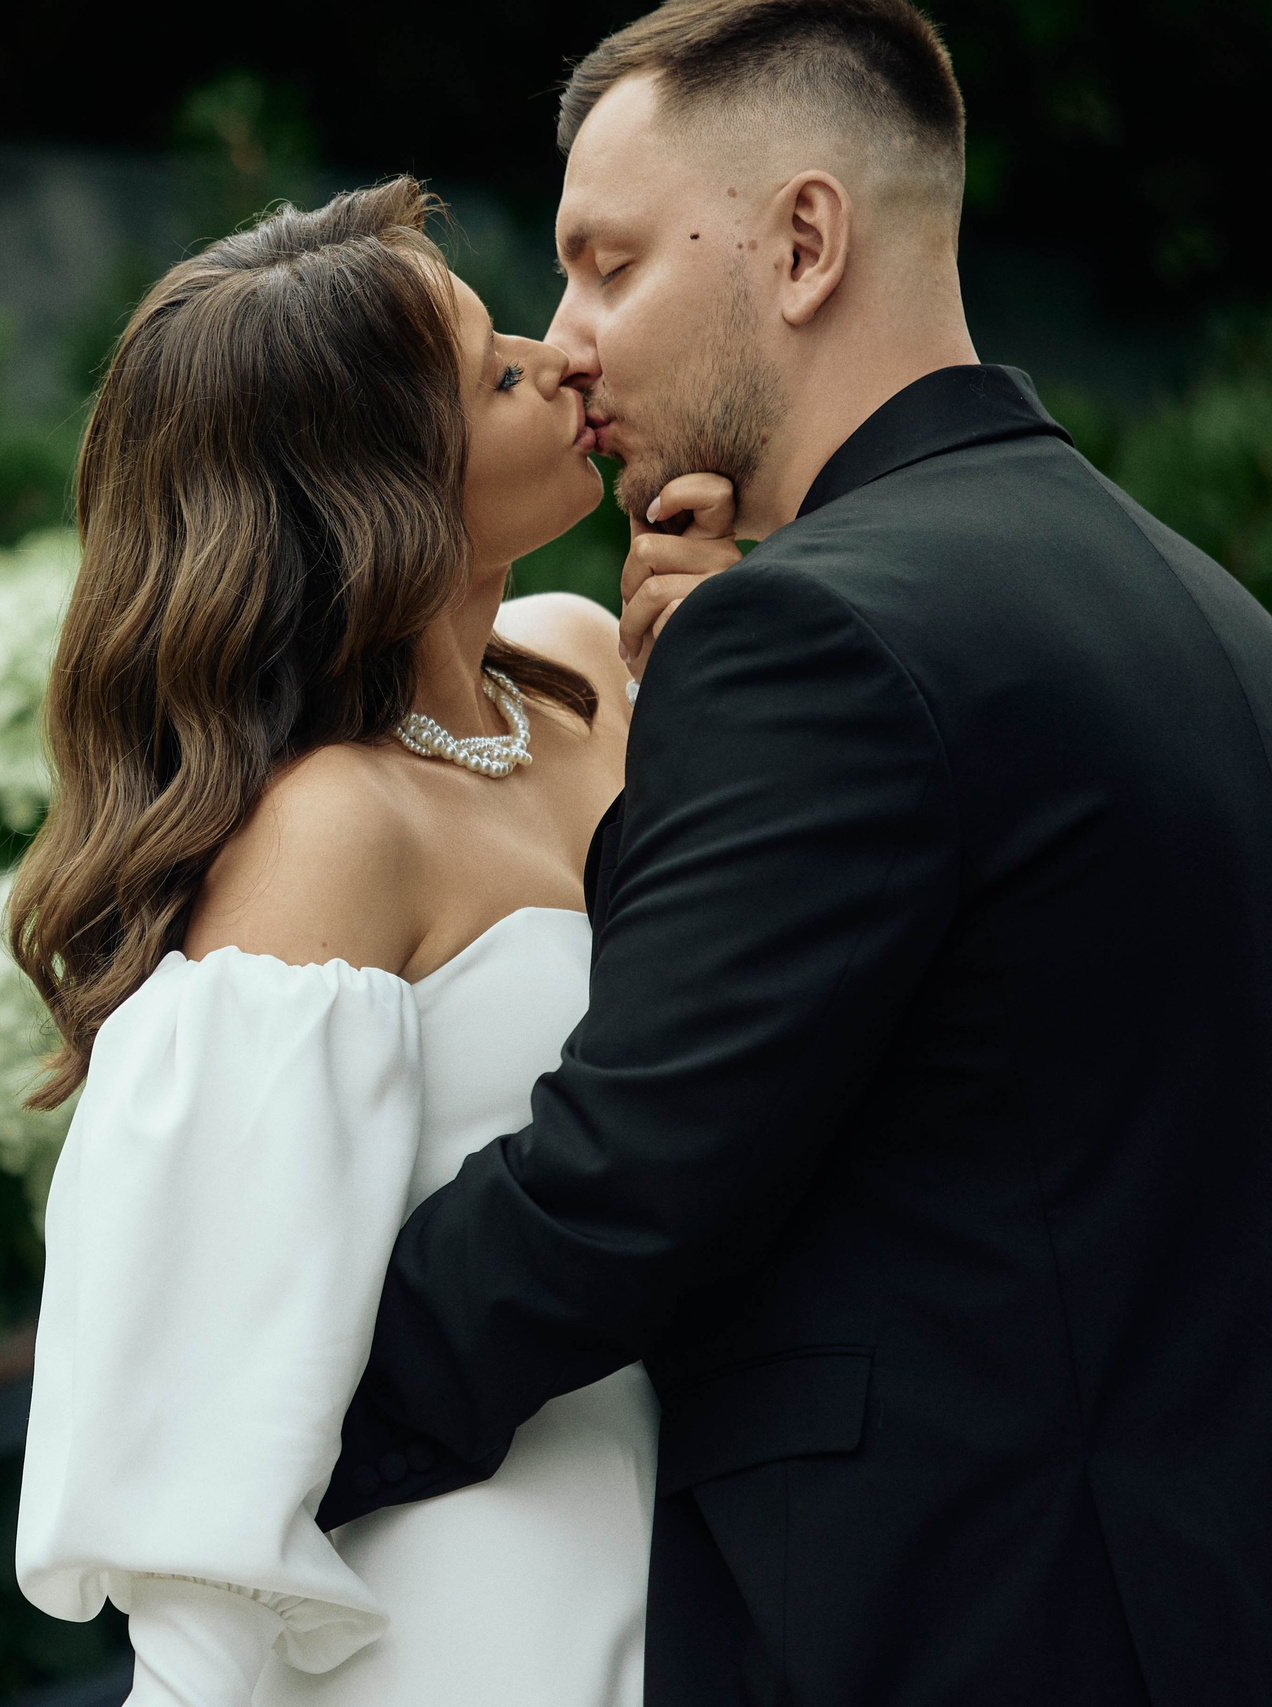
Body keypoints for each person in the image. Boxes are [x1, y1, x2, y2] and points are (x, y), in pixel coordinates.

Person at [323, 3, 1272, 1705]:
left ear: (806, 240)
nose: (570, 341)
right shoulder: (1205, 609)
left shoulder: (817, 644)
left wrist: (268, 1431)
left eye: (606, 264)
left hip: (950, 1629)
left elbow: (621, 1187)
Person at [9, 176, 656, 1704]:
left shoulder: (580, 664)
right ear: (379, 487)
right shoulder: (328, 834)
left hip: (693, 1517)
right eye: (494, 373)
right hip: (468, 1603)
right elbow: (225, 1350)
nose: (560, 357)